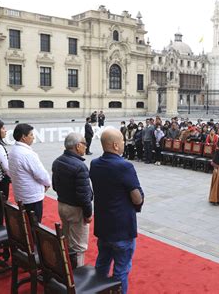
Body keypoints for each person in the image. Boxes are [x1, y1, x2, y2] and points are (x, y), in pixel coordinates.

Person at [90, 128, 144, 294]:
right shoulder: (124, 166)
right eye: (122, 141)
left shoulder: (94, 163)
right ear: (115, 145)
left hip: (104, 224)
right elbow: (136, 197)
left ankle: (98, 290)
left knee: (102, 263)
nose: (123, 143)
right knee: (121, 269)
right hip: (121, 227)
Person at [52, 132, 93, 267]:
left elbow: (55, 186)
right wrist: (88, 214)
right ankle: (78, 279)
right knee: (79, 247)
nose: (86, 147)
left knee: (68, 240)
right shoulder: (80, 167)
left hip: (62, 205)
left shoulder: (57, 161)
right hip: (76, 209)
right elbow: (84, 195)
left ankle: (65, 269)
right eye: (84, 144)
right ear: (78, 146)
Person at [8, 124, 51, 222]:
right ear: (23, 137)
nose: (33, 137)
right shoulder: (27, 154)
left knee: (25, 222)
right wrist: (47, 184)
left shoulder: (13, 151)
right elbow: (41, 174)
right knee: (34, 225)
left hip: (21, 194)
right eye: (31, 135)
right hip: (32, 197)